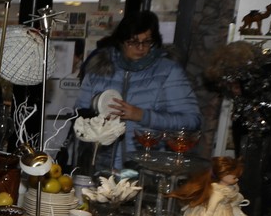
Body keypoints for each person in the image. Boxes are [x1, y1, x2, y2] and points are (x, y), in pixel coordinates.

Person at [76, 10, 200, 170]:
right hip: (101, 164)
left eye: (147, 42)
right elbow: (79, 116)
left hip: (148, 166)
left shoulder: (168, 71)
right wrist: (97, 120)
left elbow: (191, 121)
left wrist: (143, 116)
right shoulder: (99, 69)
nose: (140, 48)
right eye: (133, 42)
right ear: (121, 41)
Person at [170, 156, 247, 216]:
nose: (237, 180)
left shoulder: (229, 188)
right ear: (223, 175)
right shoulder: (218, 190)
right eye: (235, 177)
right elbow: (212, 204)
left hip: (225, 213)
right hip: (216, 213)